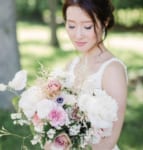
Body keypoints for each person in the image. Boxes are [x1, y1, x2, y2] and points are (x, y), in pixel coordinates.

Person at [45, 0, 128, 149]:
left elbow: (108, 141)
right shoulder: (71, 65)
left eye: (87, 26)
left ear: (105, 22)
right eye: (71, 25)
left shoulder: (112, 70)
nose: (78, 35)